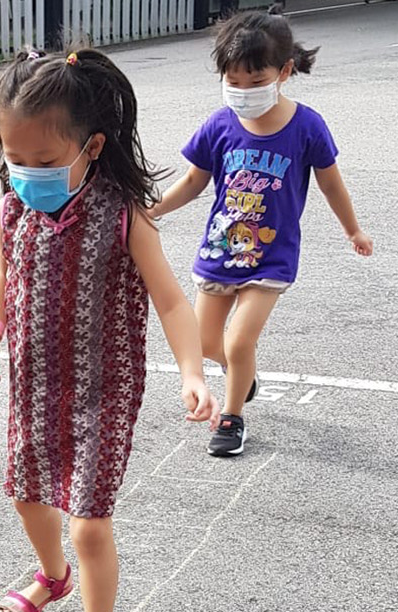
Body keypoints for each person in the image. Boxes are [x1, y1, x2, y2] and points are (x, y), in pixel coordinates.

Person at [0, 47, 216, 612]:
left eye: (43, 163)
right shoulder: (10, 211)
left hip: (104, 392)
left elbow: (171, 299)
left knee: (90, 523)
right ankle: (53, 577)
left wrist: (192, 369)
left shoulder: (124, 214)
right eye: (14, 160)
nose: (24, 175)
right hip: (35, 384)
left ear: (92, 146)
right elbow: (4, 277)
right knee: (26, 494)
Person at [150, 6, 372, 457]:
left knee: (238, 340)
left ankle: (232, 418)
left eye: (255, 82)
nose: (243, 91)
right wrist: (152, 209)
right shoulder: (220, 124)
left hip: (270, 257)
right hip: (219, 252)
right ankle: (243, 375)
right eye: (233, 81)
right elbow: (195, 181)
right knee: (207, 341)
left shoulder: (306, 126)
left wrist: (353, 231)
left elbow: (331, 182)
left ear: (284, 72)